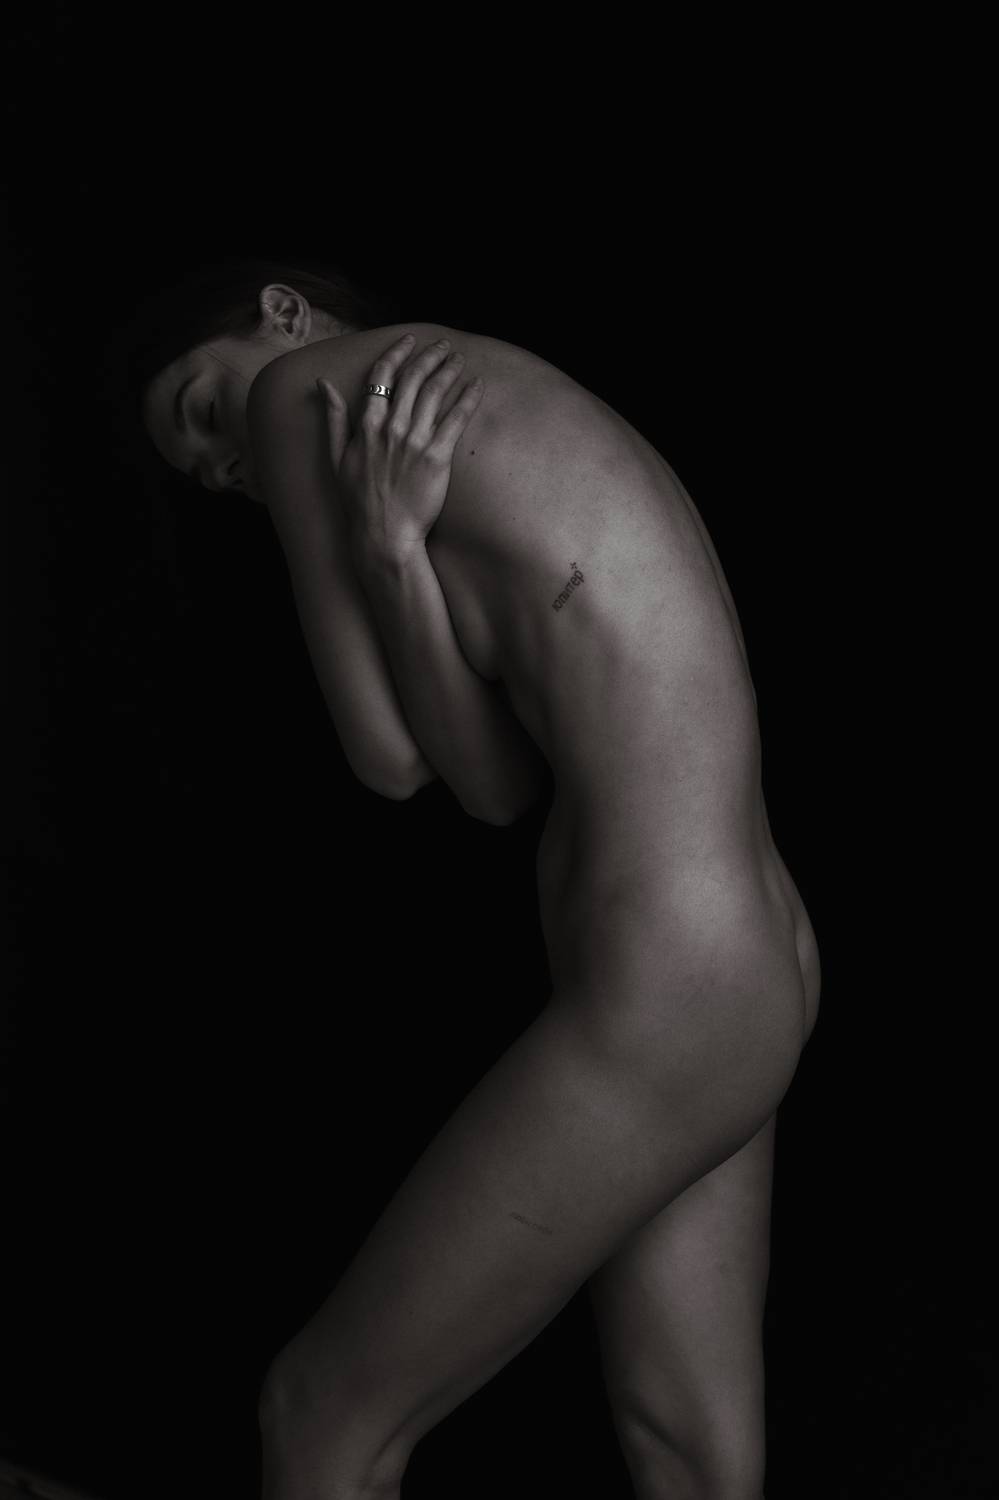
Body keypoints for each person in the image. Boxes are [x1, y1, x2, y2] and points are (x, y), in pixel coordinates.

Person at [133, 254, 821, 1500]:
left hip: (668, 980)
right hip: (757, 954)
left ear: (281, 313)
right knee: (693, 1451)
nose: (230, 462)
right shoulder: (478, 408)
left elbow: (388, 761)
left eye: (204, 408)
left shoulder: (300, 394)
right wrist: (392, 551)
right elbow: (493, 783)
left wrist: (371, 535)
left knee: (318, 1418)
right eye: (209, 473)